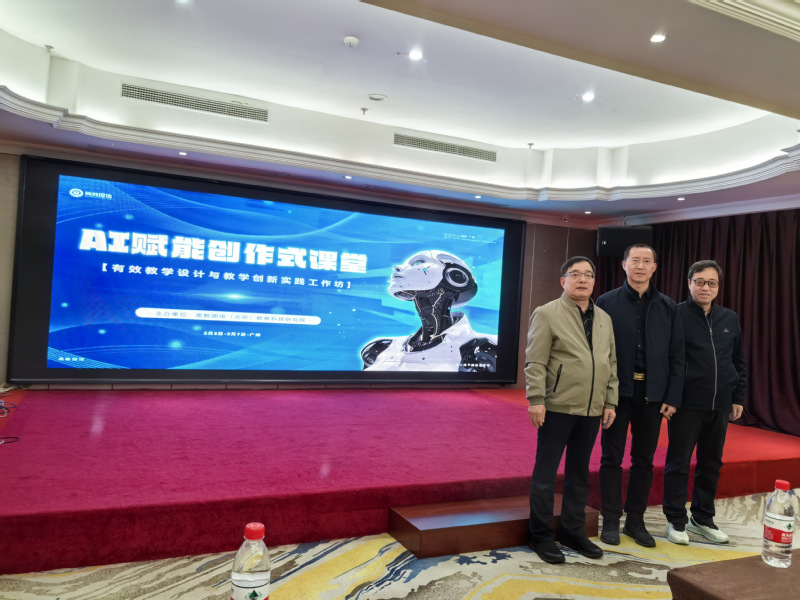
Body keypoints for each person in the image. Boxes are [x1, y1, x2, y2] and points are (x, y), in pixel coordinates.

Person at [525, 256, 618, 563]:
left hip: (592, 409)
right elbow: (535, 361)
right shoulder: (547, 313)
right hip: (556, 406)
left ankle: (572, 530)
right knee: (546, 474)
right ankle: (540, 535)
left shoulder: (604, 318)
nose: (582, 279)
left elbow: (610, 363)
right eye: (575, 274)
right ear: (563, 281)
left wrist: (610, 401)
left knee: (579, 474)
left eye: (588, 275)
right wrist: (536, 399)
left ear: (594, 281)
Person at [596, 244, 684, 547]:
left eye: (647, 261)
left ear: (655, 267)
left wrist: (672, 396)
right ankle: (610, 519)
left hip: (652, 394)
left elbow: (677, 355)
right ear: (624, 264)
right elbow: (599, 351)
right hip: (616, 393)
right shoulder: (606, 302)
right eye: (635, 260)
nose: (641, 266)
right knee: (611, 457)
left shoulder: (668, 306)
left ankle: (635, 521)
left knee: (644, 460)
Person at [663, 260, 746, 545]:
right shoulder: (676, 314)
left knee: (711, 463)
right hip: (686, 404)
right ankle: (676, 519)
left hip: (720, 404)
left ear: (718, 286)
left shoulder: (729, 318)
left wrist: (737, 396)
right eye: (699, 281)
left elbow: (738, 360)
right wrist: (671, 398)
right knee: (679, 463)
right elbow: (669, 360)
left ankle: (702, 518)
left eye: (711, 283)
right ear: (689, 283)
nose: (705, 287)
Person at [360, 250, 497, 372]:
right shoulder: (381, 348)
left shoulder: (484, 349)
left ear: (456, 276)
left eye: (418, 262)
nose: (397, 268)